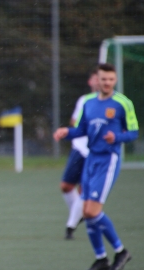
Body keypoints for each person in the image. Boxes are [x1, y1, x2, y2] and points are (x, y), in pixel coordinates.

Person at [53, 63, 139, 270]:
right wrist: (67, 132)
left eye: (110, 79)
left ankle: (121, 251)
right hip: (91, 158)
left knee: (91, 212)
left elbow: (134, 132)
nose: (107, 83)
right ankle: (101, 258)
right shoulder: (88, 103)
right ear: (97, 80)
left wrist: (116, 137)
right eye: (103, 79)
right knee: (85, 209)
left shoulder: (123, 103)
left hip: (108, 160)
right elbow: (81, 129)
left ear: (115, 80)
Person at [61, 69, 100, 240]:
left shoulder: (114, 103)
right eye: (96, 78)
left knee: (84, 189)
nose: (99, 81)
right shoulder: (84, 100)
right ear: (90, 81)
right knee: (66, 186)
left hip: (95, 151)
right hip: (79, 148)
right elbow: (75, 122)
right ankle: (79, 214)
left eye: (103, 78)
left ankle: (71, 226)